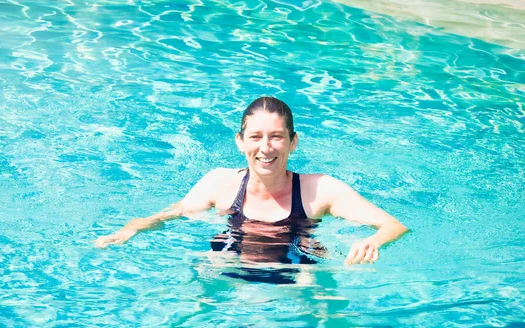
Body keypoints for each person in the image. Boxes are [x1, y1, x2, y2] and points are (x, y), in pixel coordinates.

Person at [95, 97, 408, 265]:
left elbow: (394, 226)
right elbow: (171, 214)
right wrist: (132, 227)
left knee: (333, 321)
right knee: (199, 282)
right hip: (228, 264)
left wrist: (371, 242)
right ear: (240, 142)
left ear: (293, 142)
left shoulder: (319, 189)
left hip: (297, 270)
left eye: (276, 137)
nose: (265, 147)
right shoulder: (220, 183)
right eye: (256, 137)